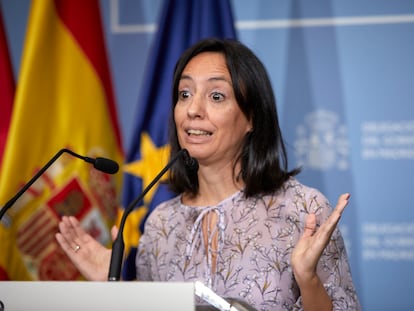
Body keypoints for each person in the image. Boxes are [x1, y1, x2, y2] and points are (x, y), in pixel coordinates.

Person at [56, 38, 361, 310]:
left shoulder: (302, 210)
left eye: (216, 96)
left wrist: (307, 279)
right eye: (185, 93)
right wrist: (110, 289)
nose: (192, 110)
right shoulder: (162, 224)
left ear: (252, 117)